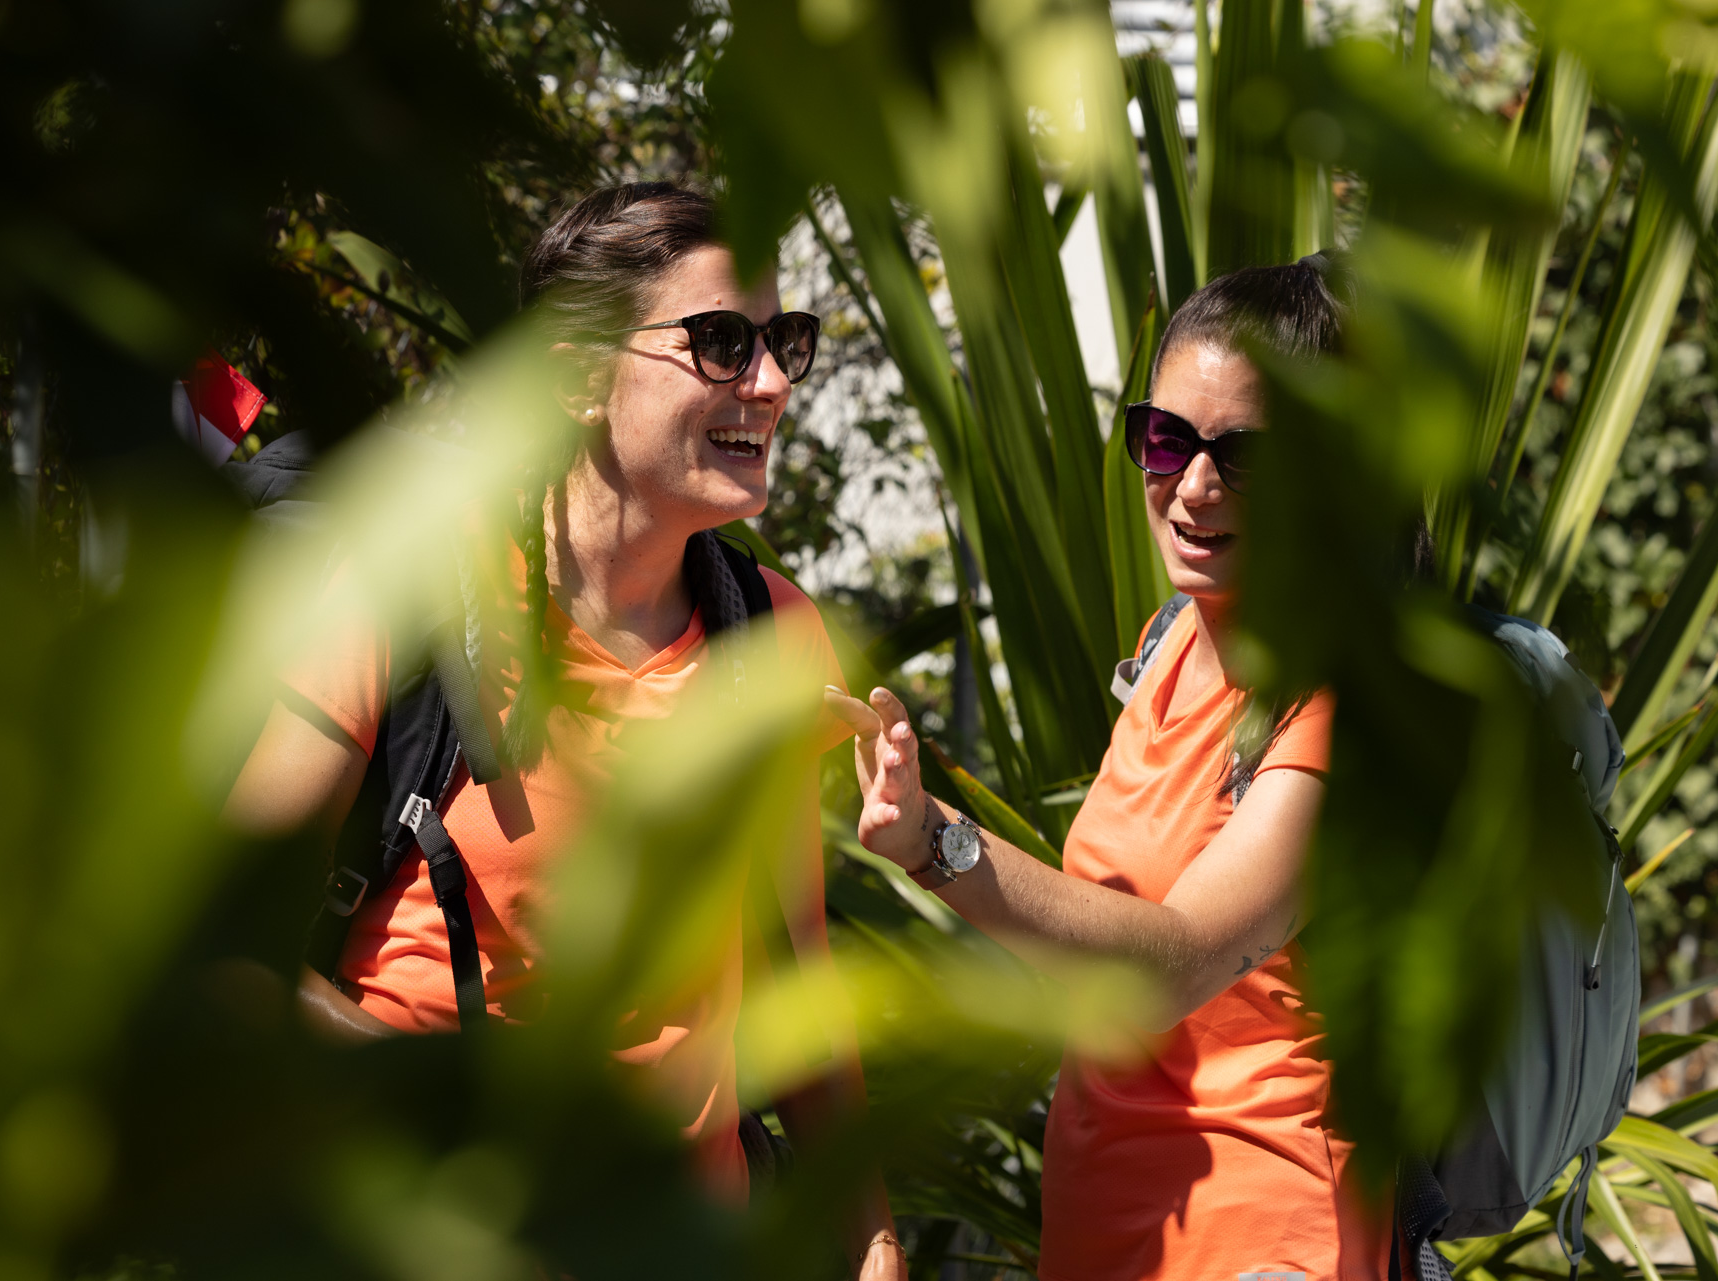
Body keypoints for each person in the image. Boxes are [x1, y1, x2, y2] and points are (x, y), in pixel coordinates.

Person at [225, 183, 906, 1279]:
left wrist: (873, 1240)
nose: (774, 382)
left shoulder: (774, 634)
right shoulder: (408, 592)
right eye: (722, 343)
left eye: (783, 342)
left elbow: (798, 979)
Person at [829, 259, 1386, 1280]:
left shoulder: (1337, 699)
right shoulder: (1169, 639)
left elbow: (1169, 968)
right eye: (1167, 440)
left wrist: (935, 842)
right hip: (1108, 1229)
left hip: (1263, 1238)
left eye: (1244, 456)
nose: (1194, 487)